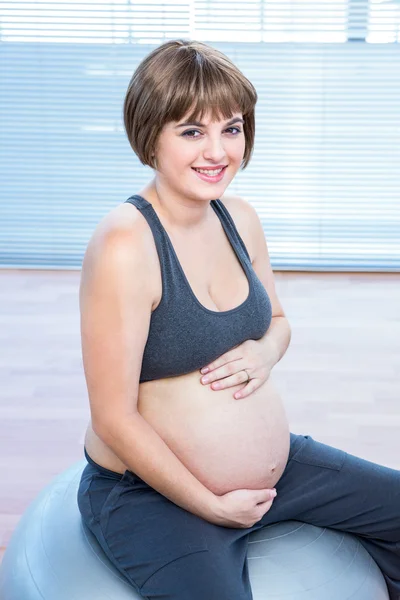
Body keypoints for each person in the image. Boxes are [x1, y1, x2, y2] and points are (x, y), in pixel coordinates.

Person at [77, 39, 400, 599]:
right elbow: (112, 417)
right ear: (150, 136)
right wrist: (212, 505)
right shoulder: (125, 244)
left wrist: (265, 351)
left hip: (276, 473)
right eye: (191, 131)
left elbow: (276, 319)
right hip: (149, 493)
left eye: (231, 127)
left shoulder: (239, 218)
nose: (218, 150)